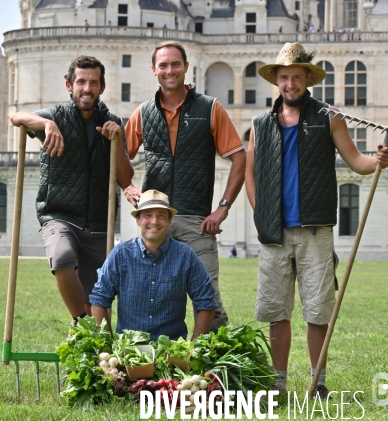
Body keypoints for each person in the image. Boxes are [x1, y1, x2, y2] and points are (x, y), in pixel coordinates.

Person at [245, 42, 388, 398]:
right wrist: (259, 210)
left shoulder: (330, 116)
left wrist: (380, 161)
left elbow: (356, 161)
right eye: (284, 77)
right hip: (274, 232)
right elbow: (250, 173)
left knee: (317, 310)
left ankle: (318, 383)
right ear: (276, 81)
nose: (291, 84)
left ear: (308, 79)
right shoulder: (260, 123)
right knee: (276, 311)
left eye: (297, 77)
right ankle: (278, 384)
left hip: (315, 229)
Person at [10, 55, 141, 328]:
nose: (87, 88)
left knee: (100, 309)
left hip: (97, 223)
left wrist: (116, 139)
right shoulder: (55, 116)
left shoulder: (112, 122)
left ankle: (90, 340)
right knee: (62, 257)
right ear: (69, 85)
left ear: (102, 88)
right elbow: (16, 116)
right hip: (59, 214)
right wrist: (46, 124)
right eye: (81, 82)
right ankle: (79, 322)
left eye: (93, 82)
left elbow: (125, 178)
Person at [124, 40, 246, 332]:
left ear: (186, 68)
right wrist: (127, 186)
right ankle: (158, 368)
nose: (170, 70)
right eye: (163, 65)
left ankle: (213, 371)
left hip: (196, 221)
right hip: (156, 220)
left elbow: (240, 159)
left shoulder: (210, 108)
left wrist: (223, 209)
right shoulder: (143, 113)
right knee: (152, 299)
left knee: (210, 302)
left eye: (175, 64)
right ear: (154, 70)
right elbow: (116, 156)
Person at [90, 190, 218, 340]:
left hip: (171, 350)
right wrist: (108, 347)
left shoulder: (185, 255)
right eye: (148, 215)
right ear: (137, 220)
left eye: (161, 216)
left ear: (170, 220)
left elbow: (206, 301)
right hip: (128, 351)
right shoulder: (120, 255)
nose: (154, 221)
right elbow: (99, 300)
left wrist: (193, 348)